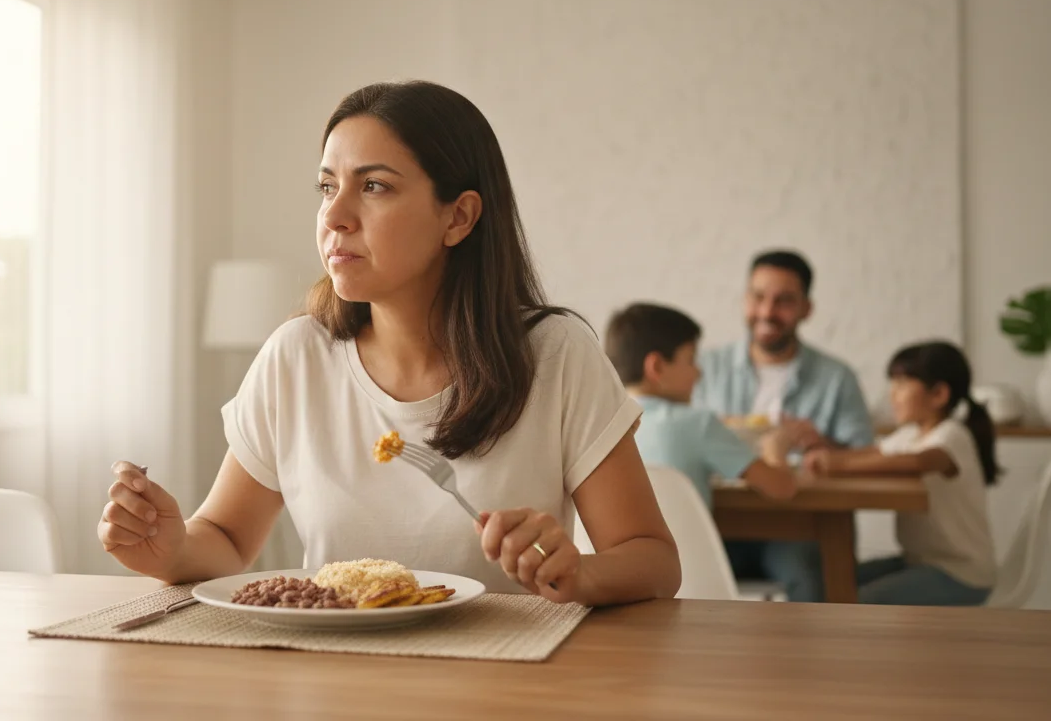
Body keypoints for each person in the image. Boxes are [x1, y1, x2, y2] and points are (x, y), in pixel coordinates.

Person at [96, 81, 680, 606]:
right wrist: (170, 550)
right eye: (328, 186)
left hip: (507, 683)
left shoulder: (555, 354)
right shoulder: (295, 357)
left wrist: (580, 572)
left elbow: (653, 559)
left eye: (373, 185)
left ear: (459, 217)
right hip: (333, 679)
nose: (336, 215)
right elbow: (225, 539)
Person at [694, 250, 870, 601]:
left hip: (799, 525)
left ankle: (811, 658)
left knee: (809, 579)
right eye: (758, 297)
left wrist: (821, 445)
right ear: (745, 299)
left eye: (784, 301)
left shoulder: (837, 378)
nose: (767, 312)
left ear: (807, 308)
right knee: (683, 569)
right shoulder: (702, 368)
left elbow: (864, 456)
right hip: (717, 521)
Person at [804, 342, 998, 606]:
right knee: (831, 582)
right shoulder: (911, 434)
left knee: (854, 600)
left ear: (939, 394)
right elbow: (871, 454)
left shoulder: (952, 435)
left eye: (902, 384)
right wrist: (823, 455)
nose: (892, 395)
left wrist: (836, 465)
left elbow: (917, 462)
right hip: (918, 560)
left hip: (960, 573)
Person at [604, 303, 799, 510]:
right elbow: (782, 488)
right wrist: (776, 448)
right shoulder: (698, 424)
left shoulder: (602, 427)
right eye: (691, 360)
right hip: (690, 543)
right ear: (657, 367)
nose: (698, 373)